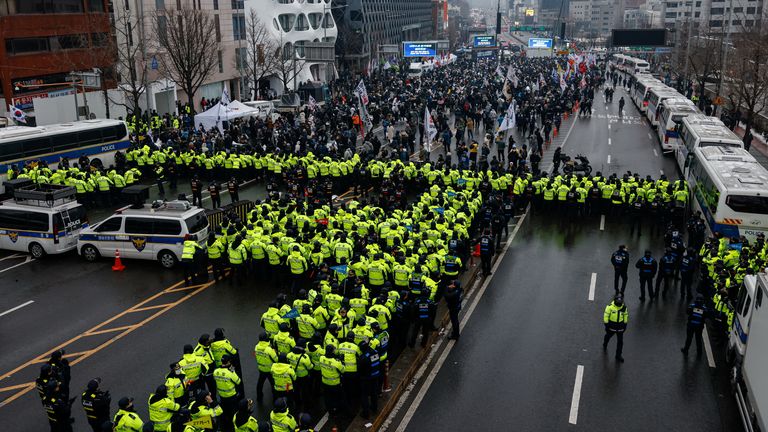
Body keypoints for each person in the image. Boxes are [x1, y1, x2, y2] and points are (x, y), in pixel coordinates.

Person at [213, 354, 241, 432]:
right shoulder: (230, 372)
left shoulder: (216, 371)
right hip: (231, 396)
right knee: (233, 412)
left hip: (222, 396)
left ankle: (226, 426)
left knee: (225, 412)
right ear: (228, 362)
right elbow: (238, 381)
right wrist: (233, 371)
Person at [357, 339, 381, 419]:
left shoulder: (363, 358)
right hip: (375, 376)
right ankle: (374, 408)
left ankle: (366, 413)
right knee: (374, 393)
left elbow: (359, 369)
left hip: (366, 379)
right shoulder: (375, 352)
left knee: (364, 395)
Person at [603, 295, 628, 363]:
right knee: (608, 336)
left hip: (620, 326)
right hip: (611, 326)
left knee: (620, 342)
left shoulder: (624, 307)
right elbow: (606, 316)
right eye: (618, 302)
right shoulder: (609, 307)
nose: (619, 303)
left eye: (620, 302)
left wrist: (625, 324)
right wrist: (606, 325)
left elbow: (625, 315)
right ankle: (605, 343)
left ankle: (618, 355)